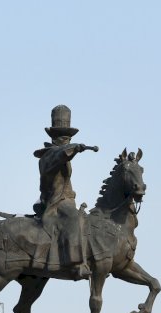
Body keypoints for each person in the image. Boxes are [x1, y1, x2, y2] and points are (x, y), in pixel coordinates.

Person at [33, 105, 98, 278]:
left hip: (66, 199)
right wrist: (74, 149)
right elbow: (62, 155)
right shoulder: (50, 155)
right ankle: (76, 263)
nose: (67, 140)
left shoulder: (60, 153)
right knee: (73, 217)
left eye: (69, 138)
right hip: (56, 201)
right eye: (64, 137)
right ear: (55, 138)